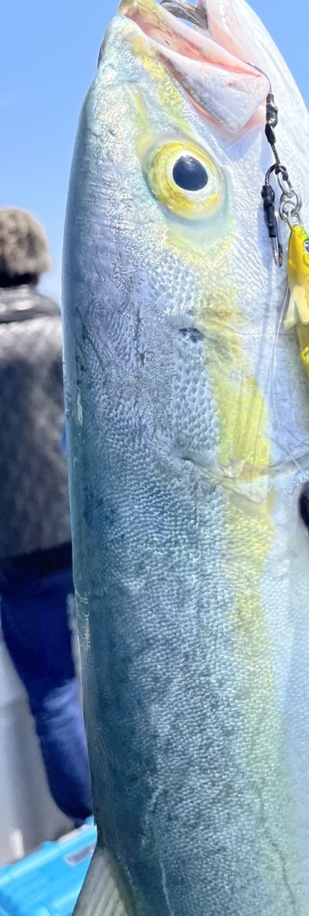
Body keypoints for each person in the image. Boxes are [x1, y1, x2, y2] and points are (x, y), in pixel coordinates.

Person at [0, 207, 92, 825]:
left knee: (55, 695)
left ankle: (87, 824)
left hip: (15, 547)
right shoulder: (67, 332)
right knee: (123, 676)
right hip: (86, 533)